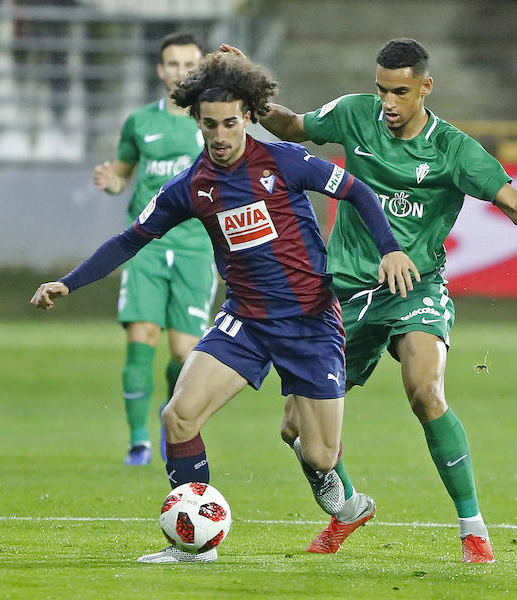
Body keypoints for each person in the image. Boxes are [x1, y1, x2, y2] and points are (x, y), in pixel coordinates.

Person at [31, 51, 420, 563]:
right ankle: (194, 548)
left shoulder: (284, 161)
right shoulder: (192, 187)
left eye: (230, 123)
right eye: (209, 124)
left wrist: (390, 248)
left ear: (249, 118)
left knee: (320, 451)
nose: (219, 135)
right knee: (179, 416)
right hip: (247, 321)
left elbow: (358, 191)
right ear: (196, 119)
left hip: (309, 323)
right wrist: (68, 282)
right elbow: (130, 240)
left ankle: (326, 476)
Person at [221, 38, 517, 561]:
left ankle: (472, 528)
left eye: (401, 92)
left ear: (425, 88)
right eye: (382, 90)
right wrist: (248, 92)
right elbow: (293, 127)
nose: (388, 102)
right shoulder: (353, 115)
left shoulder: (454, 149)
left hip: (415, 288)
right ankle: (348, 510)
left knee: (425, 390)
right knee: (294, 428)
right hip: (342, 291)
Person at [92, 32, 216, 467]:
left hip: (197, 247)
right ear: (160, 70)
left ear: (200, 68)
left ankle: (171, 416)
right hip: (146, 245)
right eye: (173, 64)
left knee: (185, 352)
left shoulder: (213, 121)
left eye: (189, 64)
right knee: (141, 336)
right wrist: (113, 182)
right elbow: (123, 173)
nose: (181, 71)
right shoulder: (139, 122)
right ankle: (138, 441)